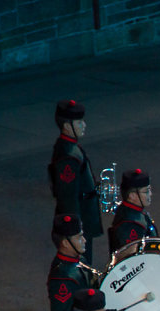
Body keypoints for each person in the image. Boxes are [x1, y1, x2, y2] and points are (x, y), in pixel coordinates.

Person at [107, 168, 160, 311]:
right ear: (131, 195)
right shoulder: (129, 223)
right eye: (145, 191)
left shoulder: (137, 213)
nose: (150, 195)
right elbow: (132, 261)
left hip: (139, 286)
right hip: (133, 290)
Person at [49, 99, 103, 264]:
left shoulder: (71, 148)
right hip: (79, 216)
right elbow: (67, 195)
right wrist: (74, 227)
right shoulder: (68, 155)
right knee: (82, 263)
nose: (84, 125)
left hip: (82, 212)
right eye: (79, 122)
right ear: (67, 126)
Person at [47, 213, 94, 311]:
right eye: (79, 237)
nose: (84, 240)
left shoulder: (79, 261)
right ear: (66, 243)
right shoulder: (62, 276)